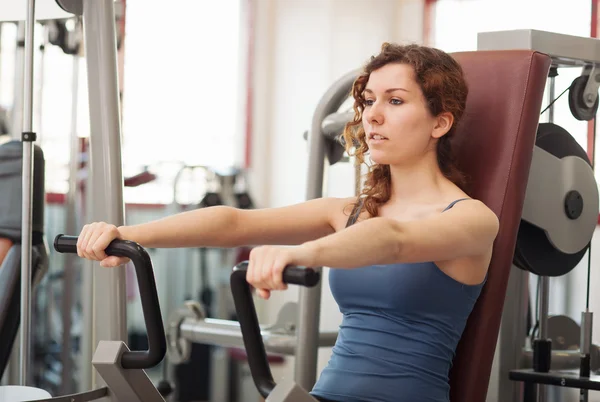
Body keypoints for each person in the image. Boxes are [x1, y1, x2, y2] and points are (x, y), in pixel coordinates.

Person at [75, 42, 499, 402]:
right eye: (369, 100)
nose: (372, 115)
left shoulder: (472, 220)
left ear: (440, 122)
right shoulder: (350, 211)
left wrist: (299, 254)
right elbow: (234, 224)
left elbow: (394, 239)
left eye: (395, 100)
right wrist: (126, 234)